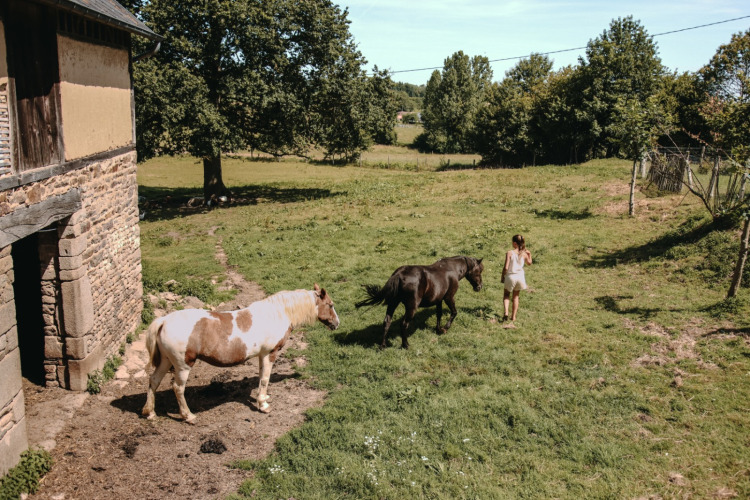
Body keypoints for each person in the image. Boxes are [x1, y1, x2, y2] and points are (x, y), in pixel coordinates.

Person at [501, 234, 532, 325]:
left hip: (511, 276)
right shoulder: (524, 254)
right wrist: (529, 254)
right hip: (520, 277)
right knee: (516, 297)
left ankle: (506, 312)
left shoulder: (510, 253)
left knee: (506, 294)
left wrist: (503, 275)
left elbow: (506, 267)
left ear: (514, 243)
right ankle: (513, 317)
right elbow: (529, 263)